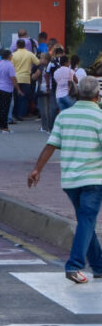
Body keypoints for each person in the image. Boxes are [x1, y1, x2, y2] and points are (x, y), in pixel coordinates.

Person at [28, 76, 102, 283]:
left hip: (70, 181)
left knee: (85, 221)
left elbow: (51, 145)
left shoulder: (64, 117)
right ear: (98, 95)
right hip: (94, 179)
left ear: (77, 93)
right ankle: (74, 265)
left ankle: (98, 266)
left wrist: (37, 169)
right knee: (87, 220)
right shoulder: (99, 117)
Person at [11, 39, 39, 121]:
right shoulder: (30, 54)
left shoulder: (13, 55)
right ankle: (21, 114)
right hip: (26, 78)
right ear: (25, 45)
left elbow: (11, 66)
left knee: (16, 97)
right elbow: (37, 63)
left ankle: (15, 114)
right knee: (24, 97)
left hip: (16, 78)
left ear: (17, 45)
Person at [0, 50, 21, 134]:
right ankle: (5, 128)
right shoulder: (10, 65)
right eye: (11, 55)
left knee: (0, 108)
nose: (12, 56)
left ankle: (1, 126)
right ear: (9, 56)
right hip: (6, 88)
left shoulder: (0, 63)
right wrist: (18, 88)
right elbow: (13, 77)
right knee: (5, 109)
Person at [33, 53, 52, 134]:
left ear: (46, 60)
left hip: (42, 88)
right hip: (50, 88)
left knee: (43, 108)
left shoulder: (41, 67)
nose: (40, 60)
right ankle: (49, 126)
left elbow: (35, 76)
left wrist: (32, 75)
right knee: (48, 108)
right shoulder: (51, 66)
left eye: (41, 58)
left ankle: (45, 127)